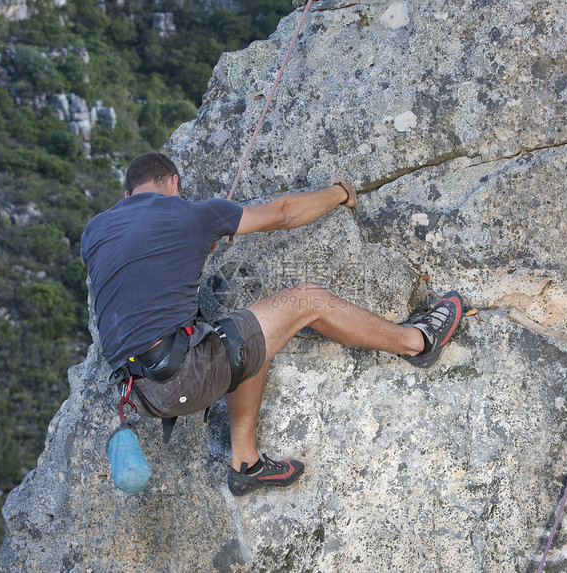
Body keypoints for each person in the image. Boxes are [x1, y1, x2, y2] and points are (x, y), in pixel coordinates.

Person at [80, 152, 463, 496]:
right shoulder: (191, 213)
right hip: (184, 375)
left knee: (249, 332)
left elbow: (134, 276)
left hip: (140, 395)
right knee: (307, 299)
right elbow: (282, 213)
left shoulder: (93, 232)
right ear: (174, 184)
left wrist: (191, 246)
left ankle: (245, 464)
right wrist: (339, 193)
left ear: (127, 196)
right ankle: (419, 341)